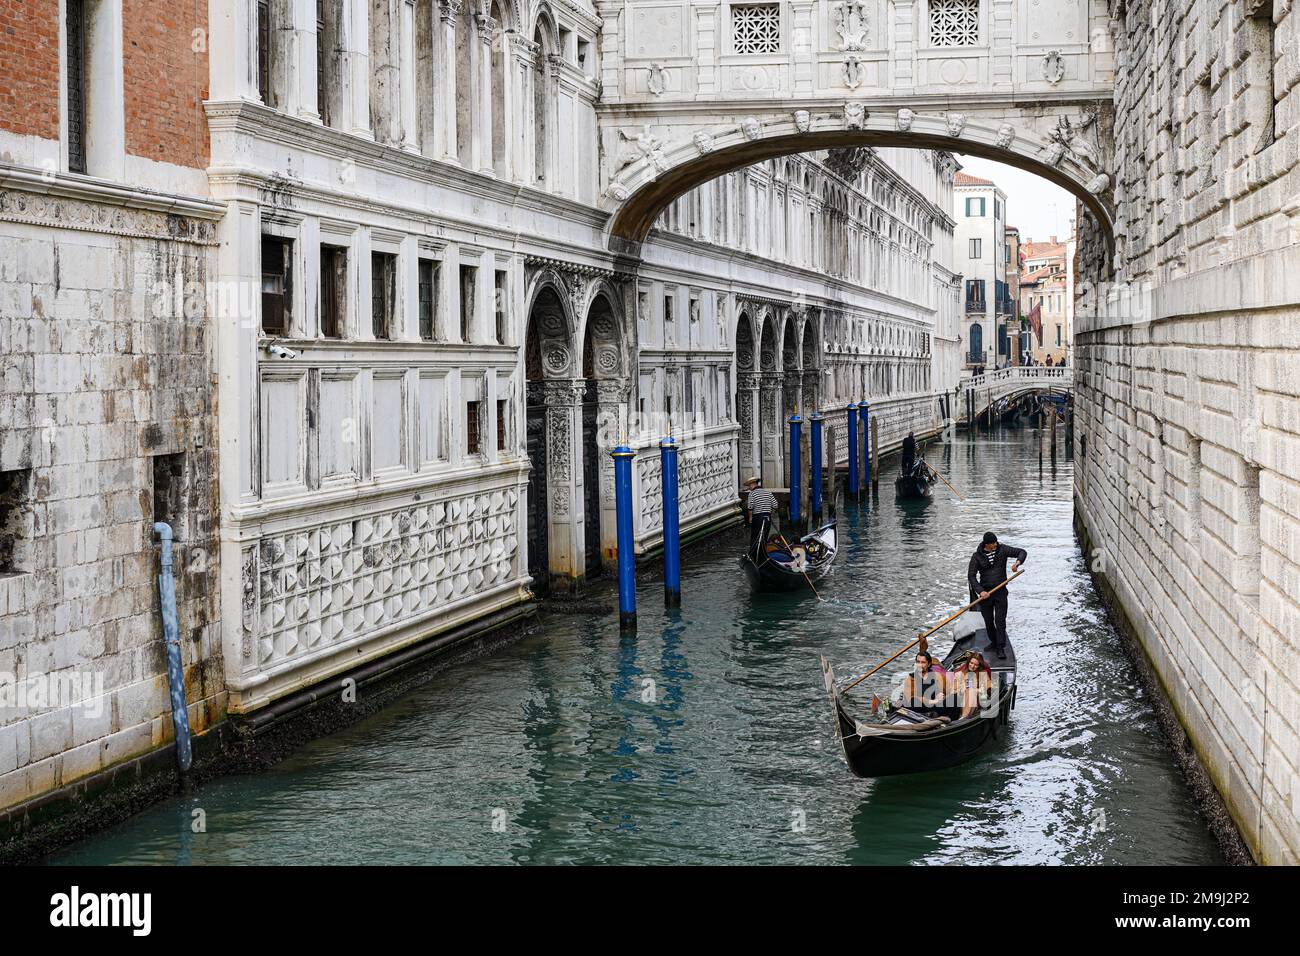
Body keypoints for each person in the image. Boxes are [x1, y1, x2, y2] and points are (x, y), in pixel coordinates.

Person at [967, 531, 1027, 659]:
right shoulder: (977, 556)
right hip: (985, 594)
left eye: (995, 542)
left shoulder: (1003, 549)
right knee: (988, 621)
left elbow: (1022, 552)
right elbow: (971, 576)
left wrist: (1017, 563)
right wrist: (980, 591)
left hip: (1000, 593)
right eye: (993, 543)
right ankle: (993, 642)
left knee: (1000, 621)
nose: (996, 544)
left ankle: (1000, 647)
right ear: (987, 544)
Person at [952, 652, 994, 719]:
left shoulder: (982, 673)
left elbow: (989, 689)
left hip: (976, 701)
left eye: (976, 665)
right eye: (971, 663)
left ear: (979, 666)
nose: (972, 666)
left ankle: (964, 717)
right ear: (968, 662)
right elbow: (953, 690)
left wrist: (976, 690)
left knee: (971, 691)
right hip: (961, 699)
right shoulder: (960, 673)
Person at [744, 476, 777, 560]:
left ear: (752, 484)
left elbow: (750, 507)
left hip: (758, 518)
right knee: (764, 537)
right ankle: (763, 555)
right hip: (767, 518)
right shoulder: (768, 492)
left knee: (755, 537)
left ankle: (753, 556)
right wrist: (769, 512)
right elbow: (775, 505)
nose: (749, 488)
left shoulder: (752, 493)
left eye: (749, 486)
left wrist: (750, 518)